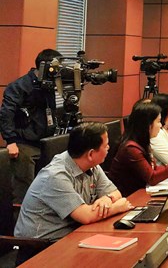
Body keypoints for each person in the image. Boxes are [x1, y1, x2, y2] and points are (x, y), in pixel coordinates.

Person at [14, 123, 133, 255]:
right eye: (105, 146)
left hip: (74, 236)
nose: (109, 148)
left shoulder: (91, 164)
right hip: (41, 248)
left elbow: (115, 193)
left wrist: (107, 198)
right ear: (91, 154)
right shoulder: (55, 176)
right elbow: (86, 216)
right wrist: (117, 207)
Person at [0, 48, 62, 204]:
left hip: (45, 141)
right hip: (23, 143)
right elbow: (6, 113)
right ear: (45, 66)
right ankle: (19, 217)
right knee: (24, 191)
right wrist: (10, 140)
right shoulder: (20, 86)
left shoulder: (47, 85)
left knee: (46, 188)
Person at [109, 102, 168, 196]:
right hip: (130, 197)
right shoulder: (131, 148)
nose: (160, 125)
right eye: (158, 121)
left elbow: (154, 169)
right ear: (148, 125)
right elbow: (152, 178)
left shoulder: (142, 142)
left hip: (141, 193)